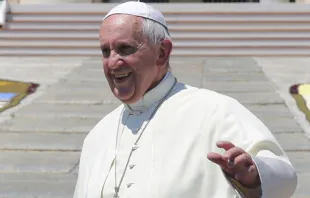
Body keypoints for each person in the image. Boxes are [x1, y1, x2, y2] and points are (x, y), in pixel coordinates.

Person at [73, 1, 297, 198]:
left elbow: (285, 179)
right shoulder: (98, 135)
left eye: (125, 49)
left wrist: (253, 178)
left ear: (162, 53)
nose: (112, 63)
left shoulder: (215, 111)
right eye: (105, 51)